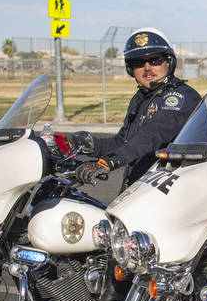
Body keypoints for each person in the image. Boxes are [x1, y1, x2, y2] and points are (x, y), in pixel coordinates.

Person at [70, 28, 200, 189]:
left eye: (155, 60)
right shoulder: (141, 98)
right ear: (131, 68)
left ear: (168, 62)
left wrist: (110, 161)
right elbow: (122, 141)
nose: (147, 68)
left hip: (172, 191)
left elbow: (152, 135)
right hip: (142, 188)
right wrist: (89, 145)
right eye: (138, 62)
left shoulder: (180, 96)